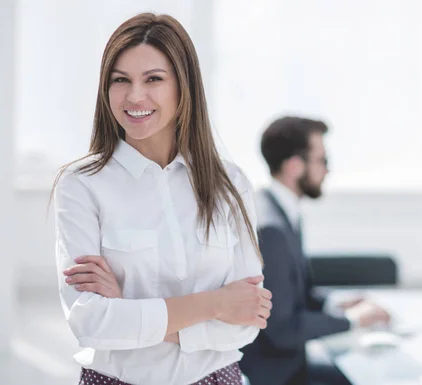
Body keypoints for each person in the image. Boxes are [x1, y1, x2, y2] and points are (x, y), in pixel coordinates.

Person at [53, 13, 272, 385]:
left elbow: (247, 321)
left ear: (183, 86)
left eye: (153, 79)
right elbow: (90, 323)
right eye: (120, 80)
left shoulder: (230, 184)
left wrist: (128, 312)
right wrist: (215, 304)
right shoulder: (81, 185)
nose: (135, 96)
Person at [239, 116, 391, 385]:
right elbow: (283, 329)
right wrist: (352, 320)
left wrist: (337, 303)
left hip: (289, 365)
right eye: (323, 161)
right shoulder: (271, 230)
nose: (328, 171)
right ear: (295, 166)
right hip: (278, 376)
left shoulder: (279, 209)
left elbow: (293, 295)